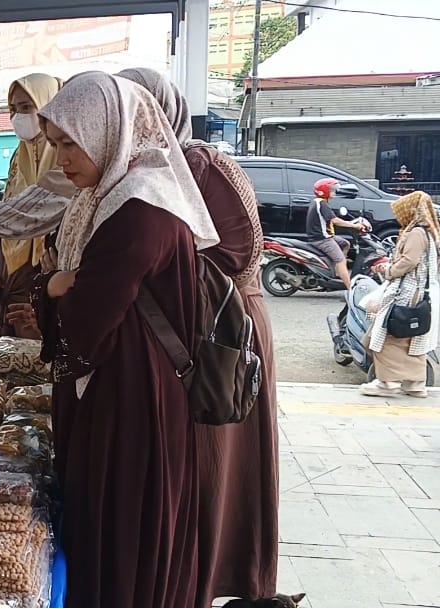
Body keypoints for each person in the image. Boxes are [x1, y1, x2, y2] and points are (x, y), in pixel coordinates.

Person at [25, 71, 220, 607]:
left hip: (132, 399)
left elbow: (87, 317)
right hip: (127, 385)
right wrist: (61, 286)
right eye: (55, 143)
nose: (62, 157)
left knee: (122, 519)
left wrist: (53, 285)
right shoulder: (116, 194)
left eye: (72, 142)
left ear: (110, 131)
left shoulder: (138, 208)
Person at [118, 66, 279, 606]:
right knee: (208, 461)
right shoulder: (154, 167)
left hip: (225, 331)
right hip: (203, 326)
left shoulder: (197, 164)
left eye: (140, 106)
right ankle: (201, 578)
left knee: (218, 458)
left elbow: (239, 252)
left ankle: (214, 581)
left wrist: (151, 253)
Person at [0, 73, 62, 339]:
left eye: (26, 107)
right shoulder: (19, 154)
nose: (18, 116)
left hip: (47, 271)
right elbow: (8, 207)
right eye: (13, 109)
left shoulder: (65, 156)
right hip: (10, 272)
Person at [361, 191, 439, 398]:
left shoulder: (415, 234)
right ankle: (415, 383)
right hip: (419, 293)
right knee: (410, 340)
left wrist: (388, 270)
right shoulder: (427, 232)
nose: (398, 217)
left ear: (410, 211)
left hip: (407, 293)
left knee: (386, 336)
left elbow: (408, 261)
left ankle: (387, 383)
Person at [308, 177, 367, 289]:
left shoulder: (319, 202)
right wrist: (353, 225)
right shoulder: (322, 204)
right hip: (322, 239)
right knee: (340, 259)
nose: (334, 192)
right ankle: (350, 287)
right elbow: (334, 220)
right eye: (332, 190)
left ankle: (338, 272)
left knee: (345, 244)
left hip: (327, 236)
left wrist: (350, 222)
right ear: (324, 191)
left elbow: (333, 218)